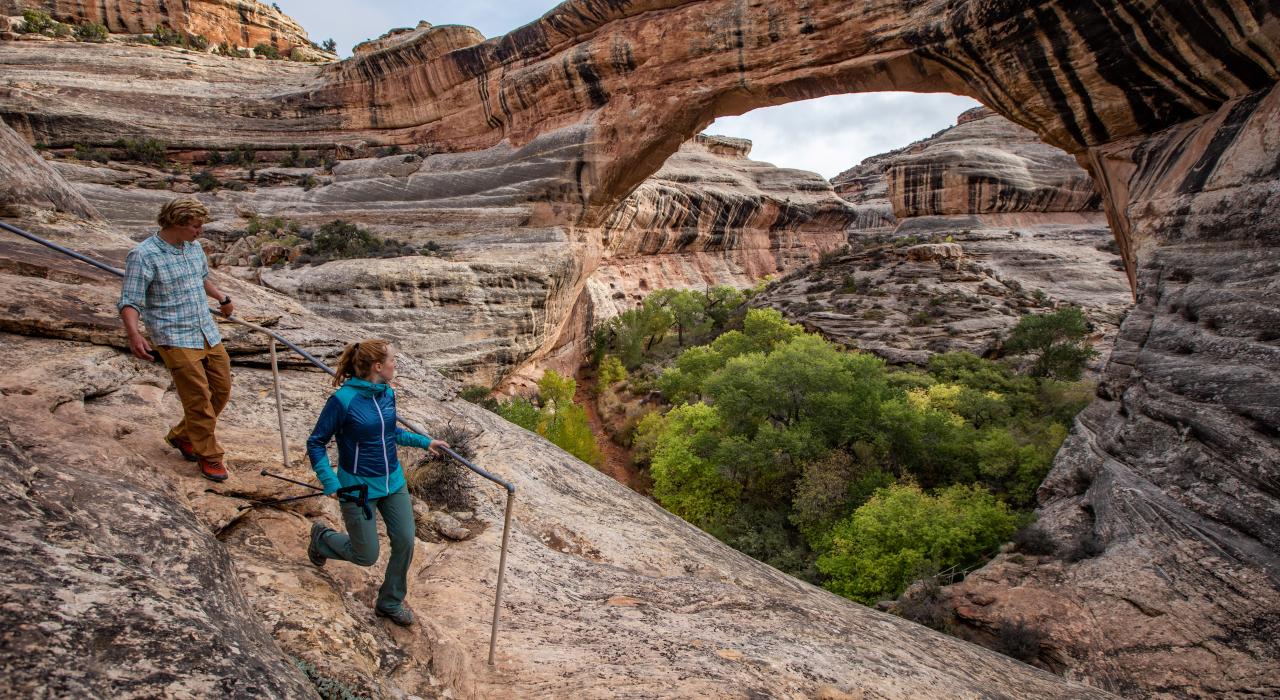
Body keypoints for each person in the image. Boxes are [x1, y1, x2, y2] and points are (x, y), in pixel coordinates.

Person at [305, 339, 447, 626]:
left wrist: (423, 442)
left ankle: (390, 601)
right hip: (357, 488)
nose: (396, 364)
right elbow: (316, 442)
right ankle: (321, 539)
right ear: (378, 367)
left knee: (406, 541)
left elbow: (389, 432)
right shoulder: (342, 401)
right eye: (393, 360)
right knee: (366, 555)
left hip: (393, 482)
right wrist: (330, 481)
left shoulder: (386, 393)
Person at [118, 197, 236, 482]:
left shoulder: (193, 248)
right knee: (198, 400)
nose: (200, 231)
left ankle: (183, 436)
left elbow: (201, 278)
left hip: (205, 329)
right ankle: (209, 456)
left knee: (221, 390)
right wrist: (134, 334)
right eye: (196, 226)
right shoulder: (143, 255)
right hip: (174, 335)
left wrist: (221, 297)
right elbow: (129, 300)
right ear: (178, 223)